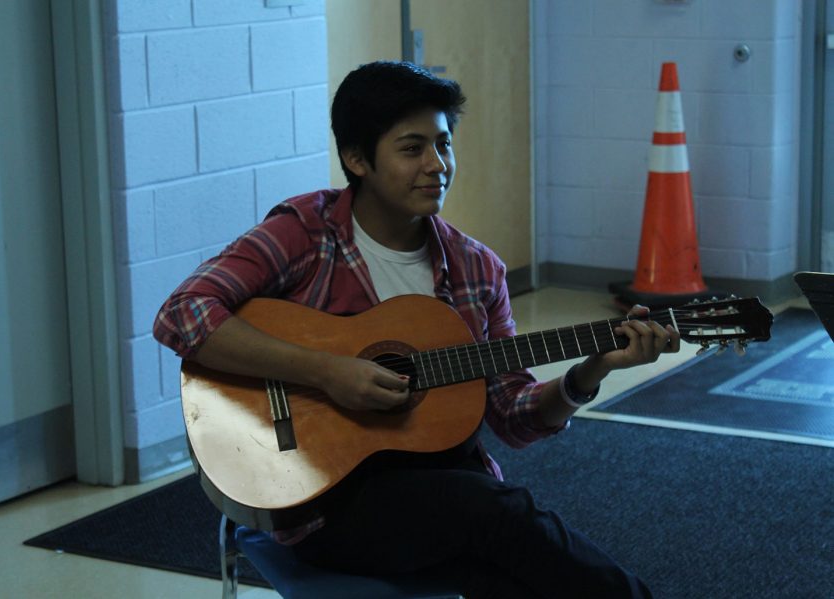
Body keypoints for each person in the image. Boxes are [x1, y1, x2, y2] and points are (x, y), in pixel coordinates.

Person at [154, 60, 680, 598]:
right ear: (358, 159)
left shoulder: (476, 269)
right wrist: (327, 371)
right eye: (412, 149)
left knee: (510, 573)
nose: (438, 165)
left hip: (442, 494)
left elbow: (513, 417)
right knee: (500, 515)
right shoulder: (303, 235)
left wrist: (589, 372)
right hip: (321, 499)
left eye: (444, 144)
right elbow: (183, 314)